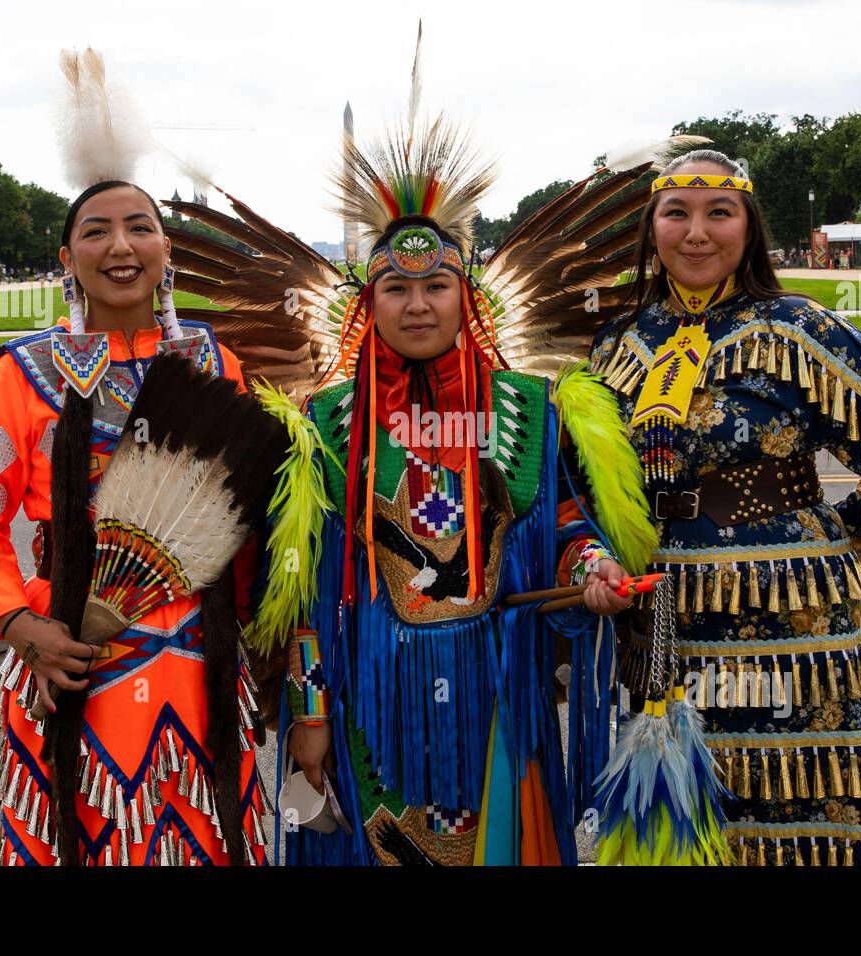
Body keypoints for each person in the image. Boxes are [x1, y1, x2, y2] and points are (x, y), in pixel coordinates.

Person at [164, 42, 680, 865]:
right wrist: (307, 710)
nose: (416, 304)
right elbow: (295, 584)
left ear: (464, 297)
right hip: (367, 694)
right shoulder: (325, 422)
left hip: (498, 687)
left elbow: (573, 520)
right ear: (368, 303)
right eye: (395, 290)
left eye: (435, 286)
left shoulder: (532, 409)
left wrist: (592, 568)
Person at [0, 49, 269, 866]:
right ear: (67, 258)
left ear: (167, 251)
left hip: (204, 669)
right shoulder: (25, 374)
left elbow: (249, 511)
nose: (121, 244)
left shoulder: (212, 362)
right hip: (76, 666)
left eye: (140, 226)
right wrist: (20, 621)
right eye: (95, 230)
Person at [590, 149, 861, 866]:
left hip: (786, 621)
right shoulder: (619, 343)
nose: (696, 232)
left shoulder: (801, 330)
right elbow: (586, 481)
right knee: (676, 816)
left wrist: (826, 550)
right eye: (676, 213)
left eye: (719, 213)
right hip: (661, 623)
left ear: (750, 226)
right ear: (652, 230)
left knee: (795, 811)